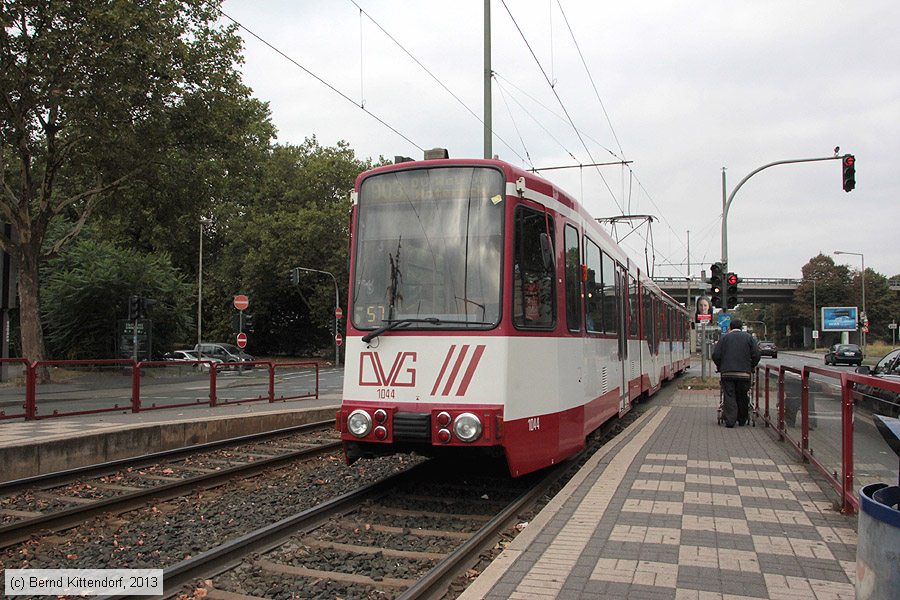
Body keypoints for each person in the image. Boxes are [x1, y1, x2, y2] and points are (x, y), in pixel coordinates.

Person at [712, 319, 760, 427]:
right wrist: (751, 366)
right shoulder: (749, 338)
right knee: (742, 394)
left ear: (730, 327)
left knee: (729, 395)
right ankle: (742, 419)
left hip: (727, 373)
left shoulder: (724, 338)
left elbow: (716, 355)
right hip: (744, 373)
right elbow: (756, 354)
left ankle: (730, 421)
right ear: (742, 327)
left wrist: (720, 366)